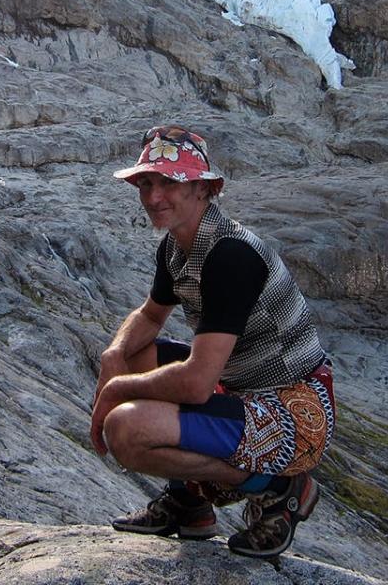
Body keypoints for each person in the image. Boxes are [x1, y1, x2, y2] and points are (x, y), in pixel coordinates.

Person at [91, 125, 336, 559]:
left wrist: (117, 387)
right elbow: (150, 315)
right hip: (241, 391)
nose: (152, 197)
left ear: (203, 189)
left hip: (294, 414)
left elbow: (197, 385)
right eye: (146, 182)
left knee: (125, 430)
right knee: (133, 354)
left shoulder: (230, 256)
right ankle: (190, 502)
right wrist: (115, 355)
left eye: (170, 182)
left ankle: (281, 488)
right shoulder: (177, 248)